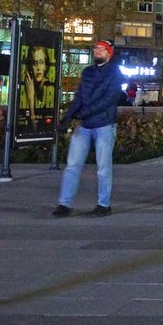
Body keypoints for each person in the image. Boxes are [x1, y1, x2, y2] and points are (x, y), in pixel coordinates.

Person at [52, 40, 124, 218]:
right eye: (96, 49)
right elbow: (79, 97)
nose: (97, 51)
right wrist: (67, 118)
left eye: (102, 49)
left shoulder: (115, 73)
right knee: (72, 166)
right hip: (84, 125)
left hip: (104, 125)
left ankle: (104, 205)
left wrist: (84, 112)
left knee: (103, 167)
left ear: (109, 53)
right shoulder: (88, 72)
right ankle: (64, 204)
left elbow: (109, 100)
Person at [21, 44, 57, 131]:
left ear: (45, 66)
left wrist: (30, 100)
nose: (38, 68)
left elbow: (36, 129)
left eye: (41, 62)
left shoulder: (50, 87)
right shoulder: (27, 85)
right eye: (34, 63)